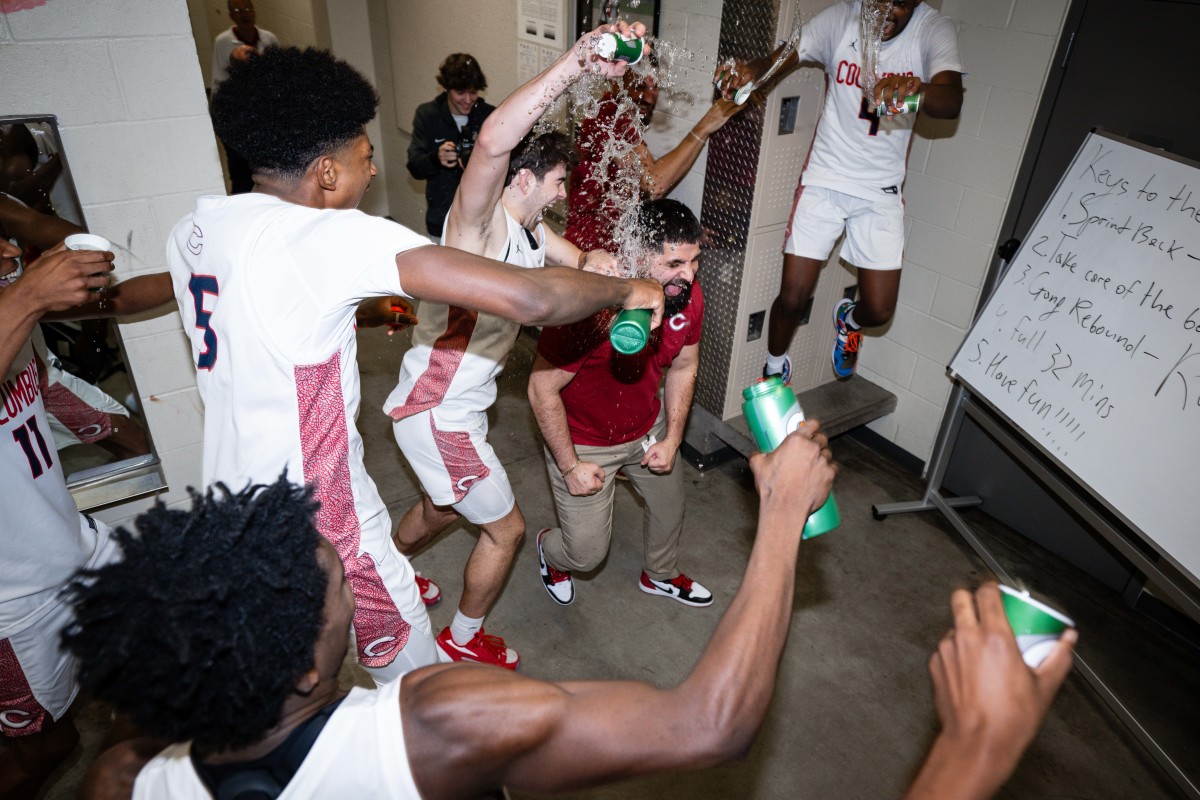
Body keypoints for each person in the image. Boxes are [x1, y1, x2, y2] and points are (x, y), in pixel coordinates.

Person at [68, 448, 1074, 799]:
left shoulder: (123, 775)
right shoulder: (432, 721)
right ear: (298, 675)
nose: (359, 581)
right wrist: (776, 522)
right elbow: (705, 725)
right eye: (341, 587)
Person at [173, 45, 663, 684]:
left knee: (287, 671)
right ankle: (460, 642)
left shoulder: (199, 228)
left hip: (232, 497)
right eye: (363, 154)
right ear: (325, 170)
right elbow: (532, 293)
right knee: (420, 694)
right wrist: (628, 292)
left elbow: (268, 305)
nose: (373, 171)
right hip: (324, 507)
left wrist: (595, 264)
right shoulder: (346, 233)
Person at [384, 24, 644, 670]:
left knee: (443, 511)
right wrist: (579, 62)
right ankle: (462, 641)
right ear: (523, 179)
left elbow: (577, 258)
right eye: (556, 182)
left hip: (454, 410)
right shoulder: (478, 222)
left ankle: (389, 575)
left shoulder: (531, 232)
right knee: (507, 530)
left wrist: (607, 266)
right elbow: (496, 135)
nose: (563, 194)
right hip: (439, 409)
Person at [0, 238, 174, 800]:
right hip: (12, 599)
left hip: (72, 543)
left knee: (172, 651)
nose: (9, 246)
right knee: (48, 748)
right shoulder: (16, 303)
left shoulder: (11, 305)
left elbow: (116, 301)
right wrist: (28, 294)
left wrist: (219, 266)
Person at [717, 0, 962, 381]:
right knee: (793, 298)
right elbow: (783, 56)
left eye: (898, 3)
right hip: (825, 179)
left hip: (880, 191)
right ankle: (774, 369)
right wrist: (749, 71)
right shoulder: (841, 18)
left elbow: (950, 101)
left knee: (879, 310)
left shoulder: (932, 30)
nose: (884, 11)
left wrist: (920, 89)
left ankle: (848, 320)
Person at [529, 199, 709, 607]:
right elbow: (541, 389)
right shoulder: (589, 306)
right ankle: (550, 552)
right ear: (639, 256)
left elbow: (684, 366)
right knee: (586, 555)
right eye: (675, 264)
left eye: (694, 261)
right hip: (585, 442)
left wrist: (674, 438)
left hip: (648, 428)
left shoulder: (686, 296)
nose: (690, 275)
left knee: (670, 509)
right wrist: (570, 465)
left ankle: (659, 574)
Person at [565, 67, 741, 253]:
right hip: (592, 250)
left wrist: (672, 232)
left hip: (612, 244)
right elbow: (653, 184)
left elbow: (641, 194)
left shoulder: (620, 118)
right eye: (640, 87)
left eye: (654, 88)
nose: (649, 98)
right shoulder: (609, 117)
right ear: (618, 85)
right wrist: (705, 126)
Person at [406, 53, 494, 239]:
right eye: (460, 93)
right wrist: (436, 159)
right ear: (446, 89)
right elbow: (415, 167)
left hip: (483, 219)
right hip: (441, 219)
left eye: (473, 92)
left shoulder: (489, 116)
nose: (468, 99)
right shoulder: (428, 115)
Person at [210, 0, 279, 194]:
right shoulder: (223, 42)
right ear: (231, 15)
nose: (245, 14)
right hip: (238, 118)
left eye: (248, 9)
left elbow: (281, 74)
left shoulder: (269, 38)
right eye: (238, 11)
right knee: (241, 173)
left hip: (266, 116)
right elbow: (217, 81)